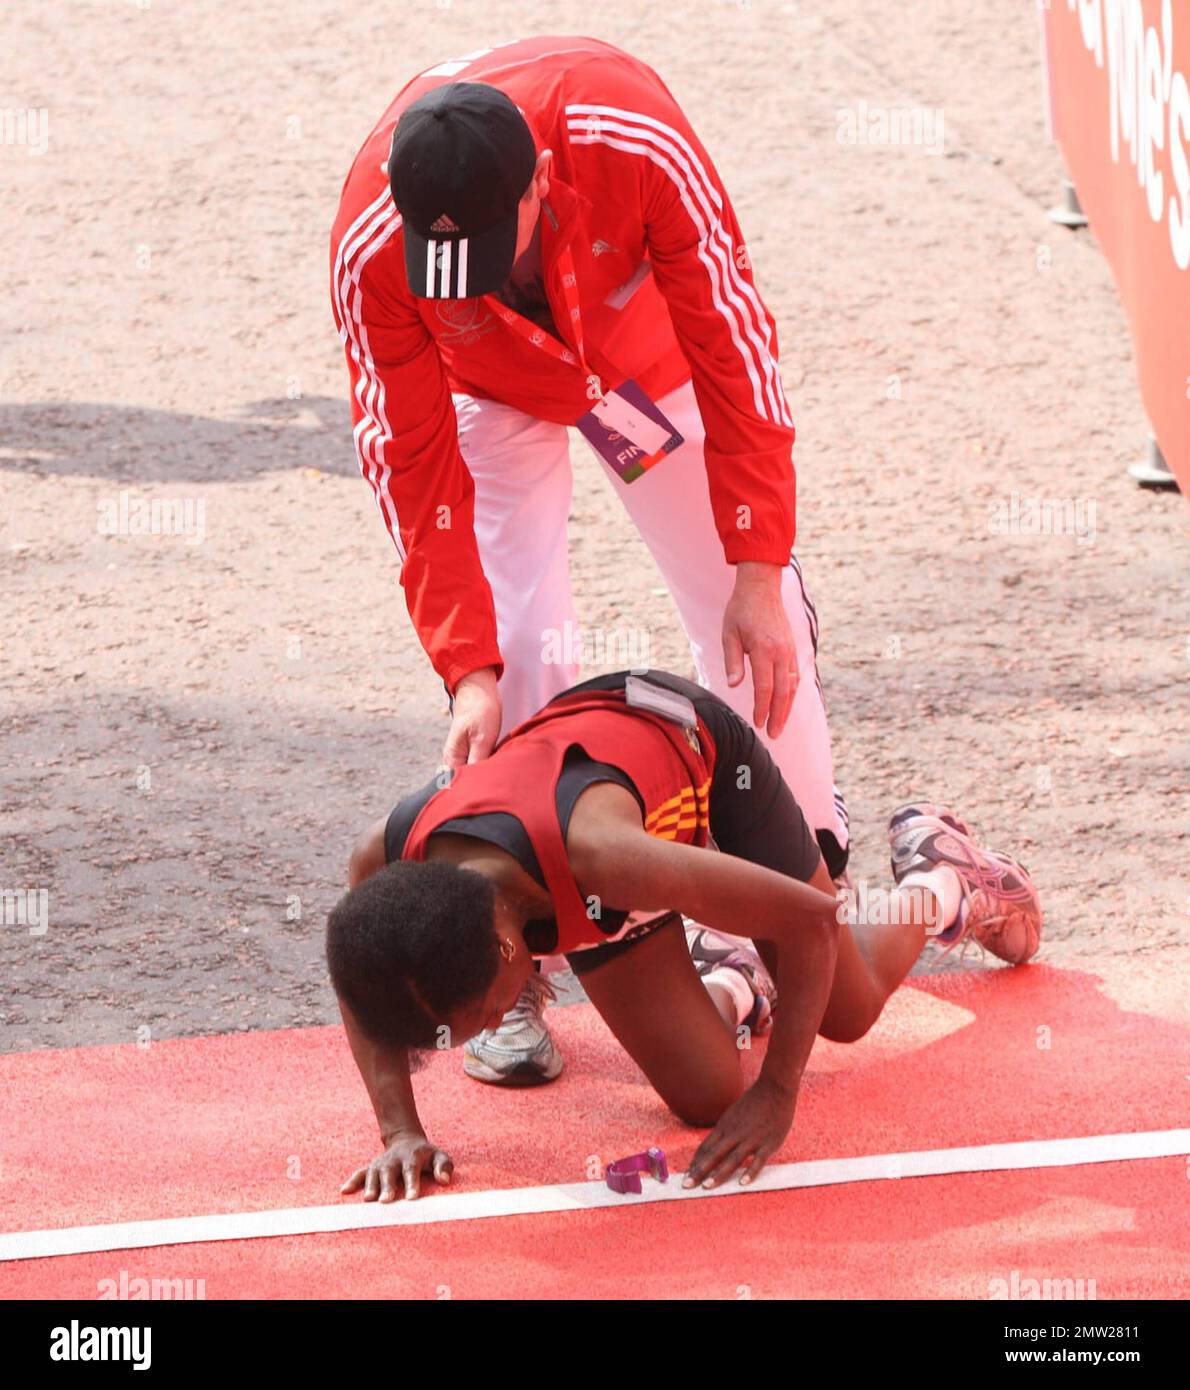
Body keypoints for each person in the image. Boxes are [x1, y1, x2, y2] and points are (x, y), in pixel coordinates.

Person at [331, 36, 851, 1080]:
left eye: (488, 243)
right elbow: (410, 460)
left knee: (757, 626)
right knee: (516, 655)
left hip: (636, 367)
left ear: (538, 183)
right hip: (486, 384)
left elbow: (732, 342)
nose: (467, 275)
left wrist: (753, 566)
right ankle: (510, 966)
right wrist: (465, 664)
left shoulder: (627, 133)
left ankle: (796, 892)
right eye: (448, 262)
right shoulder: (374, 245)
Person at [327, 671, 1041, 1200]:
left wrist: (779, 1091)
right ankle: (734, 967)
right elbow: (365, 980)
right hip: (582, 857)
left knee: (842, 1012)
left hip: (699, 755)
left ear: (511, 949)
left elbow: (813, 920)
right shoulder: (386, 862)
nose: (485, 1030)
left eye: (482, 1013)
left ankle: (940, 875)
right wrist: (401, 1133)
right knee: (707, 1100)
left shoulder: (610, 859)